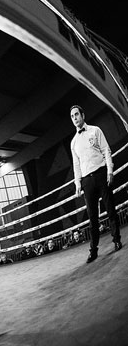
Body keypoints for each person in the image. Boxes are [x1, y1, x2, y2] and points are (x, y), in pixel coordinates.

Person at [70, 105, 122, 263]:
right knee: (92, 218)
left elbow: (106, 150)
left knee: (110, 209)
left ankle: (116, 240)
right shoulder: (73, 143)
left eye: (77, 114)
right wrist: (78, 183)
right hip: (86, 181)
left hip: (101, 174)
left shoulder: (95, 130)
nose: (75, 118)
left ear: (83, 115)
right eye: (72, 116)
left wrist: (110, 171)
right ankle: (93, 250)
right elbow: (76, 165)